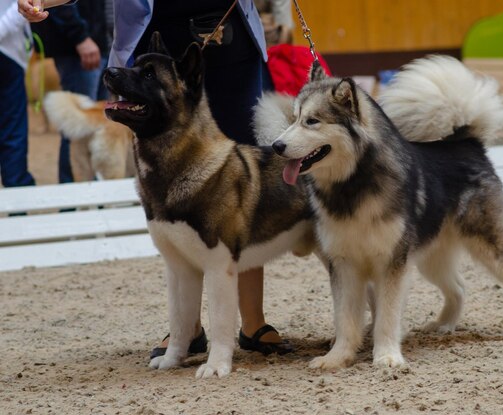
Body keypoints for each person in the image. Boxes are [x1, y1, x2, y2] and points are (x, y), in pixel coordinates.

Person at [19, 0, 293, 357]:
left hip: (229, 35)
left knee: (241, 180)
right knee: (167, 181)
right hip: (154, 38)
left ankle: (253, 321)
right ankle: (187, 328)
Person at [30, 0, 113, 183]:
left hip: (103, 44)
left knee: (98, 126)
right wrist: (80, 37)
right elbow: (58, 5)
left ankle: (96, 194)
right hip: (79, 49)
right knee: (76, 127)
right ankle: (71, 195)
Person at [0, 0, 36, 189]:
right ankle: (17, 190)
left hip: (10, 54)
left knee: (12, 130)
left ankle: (18, 194)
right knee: (12, 131)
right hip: (7, 50)